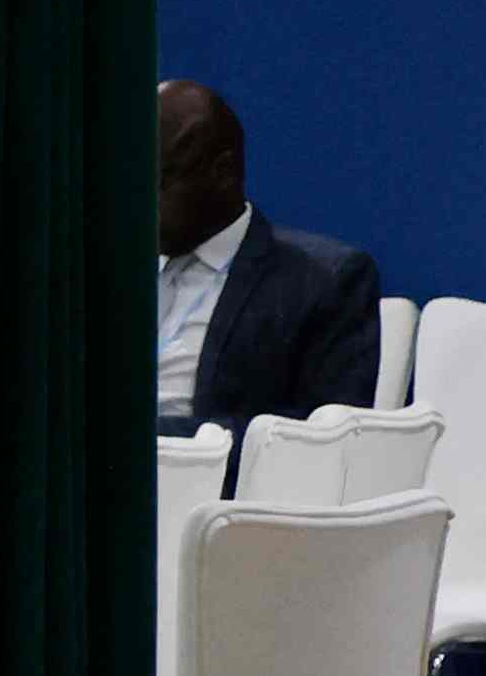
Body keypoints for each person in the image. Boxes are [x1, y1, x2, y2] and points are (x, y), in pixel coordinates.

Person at [157, 80, 382, 435]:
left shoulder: (327, 279)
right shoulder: (107, 270)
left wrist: (146, 439)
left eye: (158, 184)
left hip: (210, 479)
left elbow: (320, 440)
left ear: (222, 174)